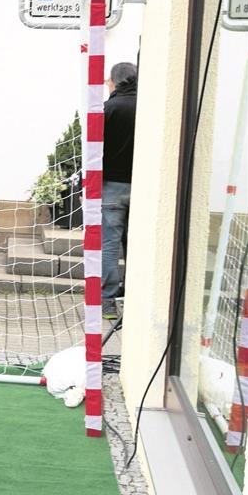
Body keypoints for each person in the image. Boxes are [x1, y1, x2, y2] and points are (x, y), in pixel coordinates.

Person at [102, 61, 137, 321]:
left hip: (111, 187)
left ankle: (107, 303)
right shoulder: (148, 107)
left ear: (114, 81)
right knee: (135, 244)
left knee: (110, 244)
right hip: (141, 187)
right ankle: (135, 296)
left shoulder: (108, 108)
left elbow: (95, 151)